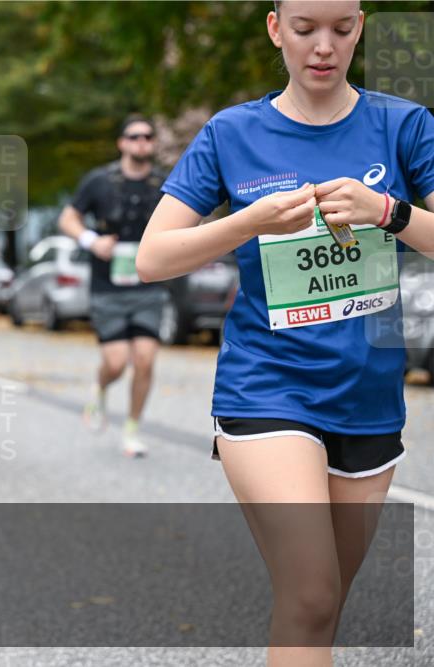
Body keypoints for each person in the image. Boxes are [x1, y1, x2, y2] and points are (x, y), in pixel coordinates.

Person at [136, 2, 434, 664]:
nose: (324, 46)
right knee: (309, 592)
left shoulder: (405, 125)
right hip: (266, 387)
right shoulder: (230, 133)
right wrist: (250, 222)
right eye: (306, 30)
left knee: (320, 607)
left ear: (360, 27)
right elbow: (152, 257)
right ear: (276, 29)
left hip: (368, 395)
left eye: (342, 29)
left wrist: (388, 210)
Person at [58, 113, 168, 457]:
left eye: (148, 136)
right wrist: (92, 241)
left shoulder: (164, 184)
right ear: (122, 142)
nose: (141, 142)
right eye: (134, 136)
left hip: (148, 284)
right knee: (118, 361)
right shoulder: (99, 181)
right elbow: (68, 218)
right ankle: (101, 387)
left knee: (146, 360)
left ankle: (132, 429)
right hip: (108, 286)